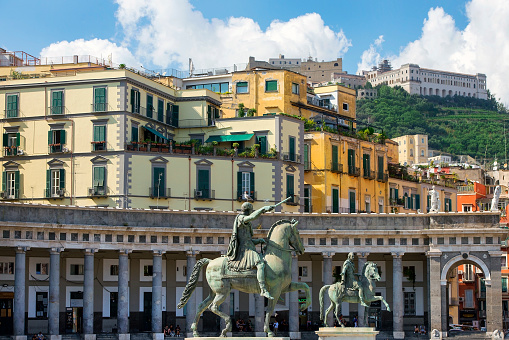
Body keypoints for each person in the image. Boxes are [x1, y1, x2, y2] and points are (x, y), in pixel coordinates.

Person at [226, 201, 276, 299]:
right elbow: (252, 217)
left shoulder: (247, 223)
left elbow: (248, 240)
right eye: (251, 210)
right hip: (245, 250)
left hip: (249, 246)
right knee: (260, 264)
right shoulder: (241, 218)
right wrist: (263, 209)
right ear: (248, 210)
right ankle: (263, 289)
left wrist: (258, 241)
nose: (252, 212)